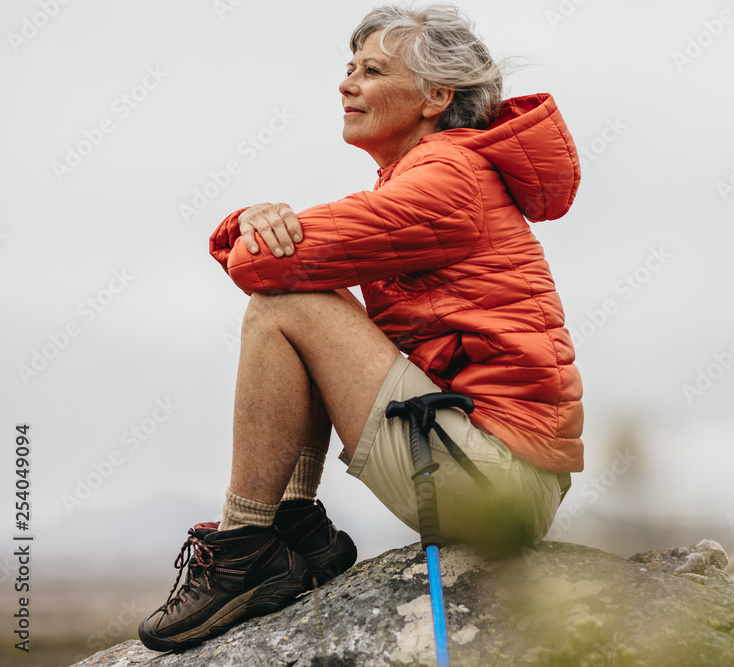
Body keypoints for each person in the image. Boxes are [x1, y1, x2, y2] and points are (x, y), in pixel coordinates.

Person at [138, 3, 583, 651]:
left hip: (493, 480)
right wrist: (257, 220)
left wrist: (247, 227)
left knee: (283, 304)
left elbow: (263, 263)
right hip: (497, 471)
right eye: (348, 69)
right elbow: (285, 254)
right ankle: (293, 524)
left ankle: (243, 548)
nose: (347, 84)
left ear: (436, 95)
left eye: (371, 70)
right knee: (303, 288)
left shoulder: (447, 179)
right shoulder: (433, 173)